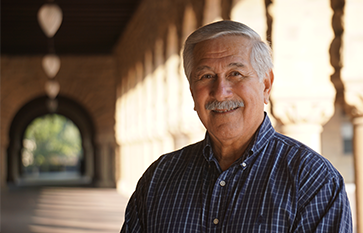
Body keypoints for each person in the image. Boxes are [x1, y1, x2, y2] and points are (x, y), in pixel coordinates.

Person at [121, 20, 352, 232]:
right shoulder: (159, 178)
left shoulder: (312, 180)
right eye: (206, 76)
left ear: (266, 85)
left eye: (236, 73)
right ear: (192, 92)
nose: (221, 93)